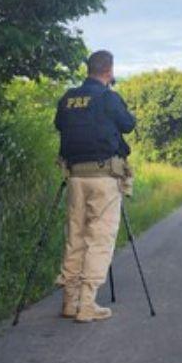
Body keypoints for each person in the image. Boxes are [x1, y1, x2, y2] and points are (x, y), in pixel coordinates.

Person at [54, 50, 136, 323]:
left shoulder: (68, 98)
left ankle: (70, 301)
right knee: (99, 239)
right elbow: (128, 124)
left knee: (75, 237)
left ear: (88, 69)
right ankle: (87, 304)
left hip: (75, 177)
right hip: (104, 178)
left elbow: (59, 125)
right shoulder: (109, 97)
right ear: (109, 71)